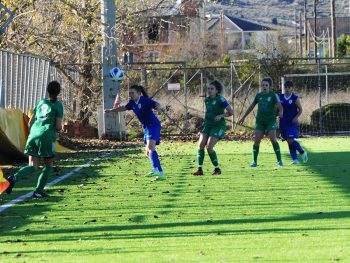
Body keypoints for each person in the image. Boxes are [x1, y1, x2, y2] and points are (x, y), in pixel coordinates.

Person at [6, 81, 64, 198]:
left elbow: (30, 121)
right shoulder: (58, 105)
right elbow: (58, 126)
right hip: (46, 137)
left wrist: (32, 133)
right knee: (48, 165)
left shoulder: (41, 102)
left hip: (33, 135)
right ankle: (38, 191)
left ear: (48, 90)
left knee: (32, 165)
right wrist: (58, 130)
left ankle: (13, 178)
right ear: (58, 92)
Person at [105, 85, 165, 181]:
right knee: (148, 152)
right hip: (146, 127)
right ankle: (161, 174)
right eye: (129, 93)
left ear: (138, 93)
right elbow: (123, 108)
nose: (130, 95)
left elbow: (156, 104)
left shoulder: (144, 100)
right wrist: (111, 110)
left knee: (151, 148)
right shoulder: (132, 103)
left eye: (132, 93)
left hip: (153, 125)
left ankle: (155, 169)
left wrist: (158, 108)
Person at [238, 77, 284, 167]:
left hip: (270, 121)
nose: (264, 87)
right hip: (260, 122)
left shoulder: (273, 95)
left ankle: (279, 161)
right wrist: (243, 117)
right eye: (263, 85)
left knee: (273, 139)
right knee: (257, 140)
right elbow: (251, 107)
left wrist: (281, 112)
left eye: (266, 85)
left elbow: (280, 107)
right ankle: (254, 162)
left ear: (270, 86)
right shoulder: (259, 95)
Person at [193, 80, 233, 176]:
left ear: (216, 90)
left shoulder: (221, 99)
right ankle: (199, 169)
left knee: (209, 146)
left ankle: (217, 169)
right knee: (201, 145)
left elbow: (231, 112)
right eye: (208, 89)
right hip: (208, 125)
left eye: (212, 89)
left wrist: (221, 116)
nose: (209, 90)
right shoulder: (207, 99)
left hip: (218, 126)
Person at [279, 80, 308, 164]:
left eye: (289, 87)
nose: (287, 89)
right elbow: (277, 108)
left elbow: (300, 109)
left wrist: (296, 117)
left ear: (292, 88)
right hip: (282, 122)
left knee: (290, 139)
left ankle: (302, 152)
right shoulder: (280, 97)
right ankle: (295, 159)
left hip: (291, 122)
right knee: (288, 140)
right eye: (286, 87)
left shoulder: (295, 98)